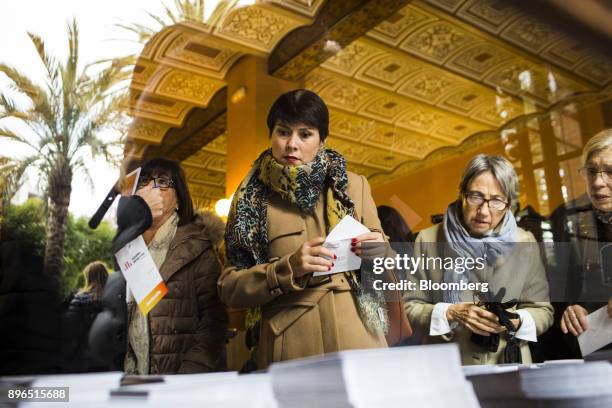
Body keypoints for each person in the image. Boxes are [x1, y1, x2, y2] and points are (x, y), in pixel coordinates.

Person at [219, 89, 390, 370]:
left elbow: (386, 264)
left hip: (360, 339)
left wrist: (380, 251)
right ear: (271, 135)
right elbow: (229, 288)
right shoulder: (249, 198)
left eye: (305, 134)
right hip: (290, 346)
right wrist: (286, 269)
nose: (292, 145)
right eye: (283, 132)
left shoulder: (355, 185)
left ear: (322, 140)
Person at [404, 154, 553, 364]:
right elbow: (409, 308)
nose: (484, 211)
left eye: (496, 201)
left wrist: (515, 322)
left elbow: (543, 311)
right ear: (461, 194)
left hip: (510, 366)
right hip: (448, 367)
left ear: (508, 205)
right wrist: (451, 312)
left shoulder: (525, 241)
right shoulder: (427, 239)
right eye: (475, 197)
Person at [89, 158, 228, 374]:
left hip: (178, 383)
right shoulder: (129, 247)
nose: (152, 188)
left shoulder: (197, 247)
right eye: (145, 182)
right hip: (132, 379)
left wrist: (189, 373)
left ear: (179, 200)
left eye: (162, 182)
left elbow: (214, 321)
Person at [557, 129, 612, 346]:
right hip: (597, 349)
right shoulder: (568, 221)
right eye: (591, 171)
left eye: (610, 171)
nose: (598, 182)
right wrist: (572, 308)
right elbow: (565, 287)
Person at [63, 261, 109, 372]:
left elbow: (69, 330)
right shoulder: (113, 300)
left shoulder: (78, 300)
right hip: (108, 360)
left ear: (88, 278)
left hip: (82, 361)